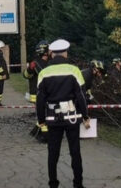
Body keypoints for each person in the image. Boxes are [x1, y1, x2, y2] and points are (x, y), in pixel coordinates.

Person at [37, 39, 89, 188]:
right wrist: (85, 116)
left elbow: (40, 100)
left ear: (52, 53)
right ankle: (77, 184)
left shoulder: (44, 73)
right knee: (75, 152)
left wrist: (41, 120)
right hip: (72, 117)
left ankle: (53, 183)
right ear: (65, 53)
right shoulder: (74, 70)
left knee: (53, 153)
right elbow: (81, 96)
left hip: (53, 118)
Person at [25, 40, 50, 140]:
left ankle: (36, 130)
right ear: (45, 51)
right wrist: (29, 70)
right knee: (44, 113)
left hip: (45, 93)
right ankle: (44, 136)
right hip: (37, 94)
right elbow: (26, 75)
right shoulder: (36, 63)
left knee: (45, 113)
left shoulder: (47, 62)